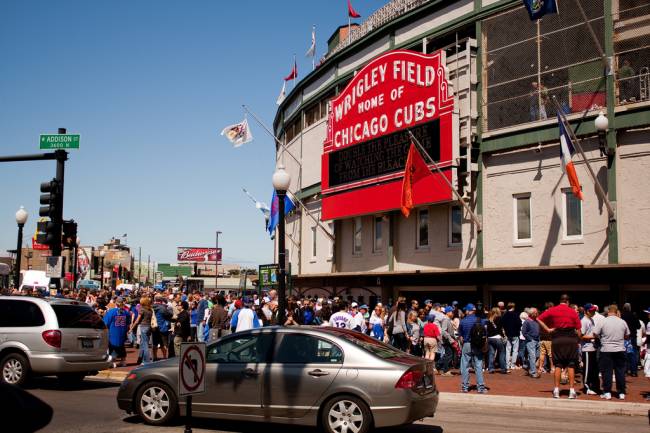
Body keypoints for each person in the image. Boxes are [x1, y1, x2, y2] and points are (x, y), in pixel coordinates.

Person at [537, 294, 581, 399]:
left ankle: (556, 390)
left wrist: (547, 329)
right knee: (571, 365)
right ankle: (571, 390)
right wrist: (577, 340)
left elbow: (539, 318)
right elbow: (579, 331)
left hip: (557, 339)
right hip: (570, 339)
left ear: (560, 300)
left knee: (558, 364)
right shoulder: (572, 311)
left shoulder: (553, 310)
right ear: (568, 302)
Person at [593, 304, 630, 400]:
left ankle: (607, 392)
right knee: (620, 371)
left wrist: (602, 337)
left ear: (608, 311)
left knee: (607, 372)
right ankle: (621, 392)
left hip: (606, 349)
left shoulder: (603, 321)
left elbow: (595, 333)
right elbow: (627, 335)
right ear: (617, 311)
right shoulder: (622, 322)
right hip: (620, 349)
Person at [458, 303, 488, 393]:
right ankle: (481, 387)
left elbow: (461, 337)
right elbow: (485, 335)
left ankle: (465, 387)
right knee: (478, 366)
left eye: (466, 310)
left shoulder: (463, 321)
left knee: (465, 366)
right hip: (478, 345)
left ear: (468, 311)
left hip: (467, 344)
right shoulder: (481, 320)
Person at [103, 297, 131, 368]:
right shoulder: (125, 312)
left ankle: (113, 362)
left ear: (116, 303)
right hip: (122, 331)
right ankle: (123, 361)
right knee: (121, 346)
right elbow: (128, 322)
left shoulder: (111, 312)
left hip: (113, 332)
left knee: (112, 347)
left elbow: (105, 323)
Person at [580, 303, 601, 395]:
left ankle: (593, 386)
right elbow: (581, 336)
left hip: (593, 347)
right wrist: (593, 337)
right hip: (587, 348)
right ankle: (586, 387)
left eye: (593, 310)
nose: (593, 312)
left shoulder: (591, 319)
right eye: (591, 310)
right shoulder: (584, 321)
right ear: (586, 311)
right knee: (587, 369)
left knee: (593, 369)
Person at [129, 296, 153, 365]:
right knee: (143, 344)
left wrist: (131, 328)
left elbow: (137, 320)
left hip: (144, 327)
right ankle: (140, 359)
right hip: (149, 327)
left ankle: (146, 361)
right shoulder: (150, 309)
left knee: (145, 345)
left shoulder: (142, 309)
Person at [621, 303, 640, 377]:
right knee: (633, 354)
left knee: (624, 353)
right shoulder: (633, 315)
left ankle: (625, 371)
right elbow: (638, 326)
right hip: (632, 337)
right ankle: (634, 371)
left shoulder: (622, 316)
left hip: (624, 337)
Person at [486, 307, 507, 374]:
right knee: (501, 353)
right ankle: (503, 369)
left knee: (491, 353)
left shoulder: (489, 319)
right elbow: (501, 329)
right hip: (498, 337)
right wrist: (503, 336)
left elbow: (488, 330)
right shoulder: (500, 318)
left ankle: (491, 368)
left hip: (490, 338)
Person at [152, 295, 173, 361]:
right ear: (161, 301)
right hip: (163, 327)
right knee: (163, 343)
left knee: (155, 343)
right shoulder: (163, 308)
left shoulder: (152, 307)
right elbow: (170, 315)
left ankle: (155, 357)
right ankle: (164, 357)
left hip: (154, 327)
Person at [522, 307, 541, 379]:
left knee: (537, 356)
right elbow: (524, 332)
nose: (537, 314)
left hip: (537, 340)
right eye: (536, 313)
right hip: (531, 341)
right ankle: (533, 372)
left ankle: (527, 366)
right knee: (532, 356)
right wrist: (530, 339)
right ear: (532, 314)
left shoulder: (536, 321)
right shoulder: (527, 321)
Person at [501, 302, 521, 371]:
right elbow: (519, 323)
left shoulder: (505, 315)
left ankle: (507, 365)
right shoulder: (516, 314)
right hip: (515, 334)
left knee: (508, 350)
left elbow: (502, 324)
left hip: (508, 334)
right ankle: (513, 365)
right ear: (513, 307)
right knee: (515, 350)